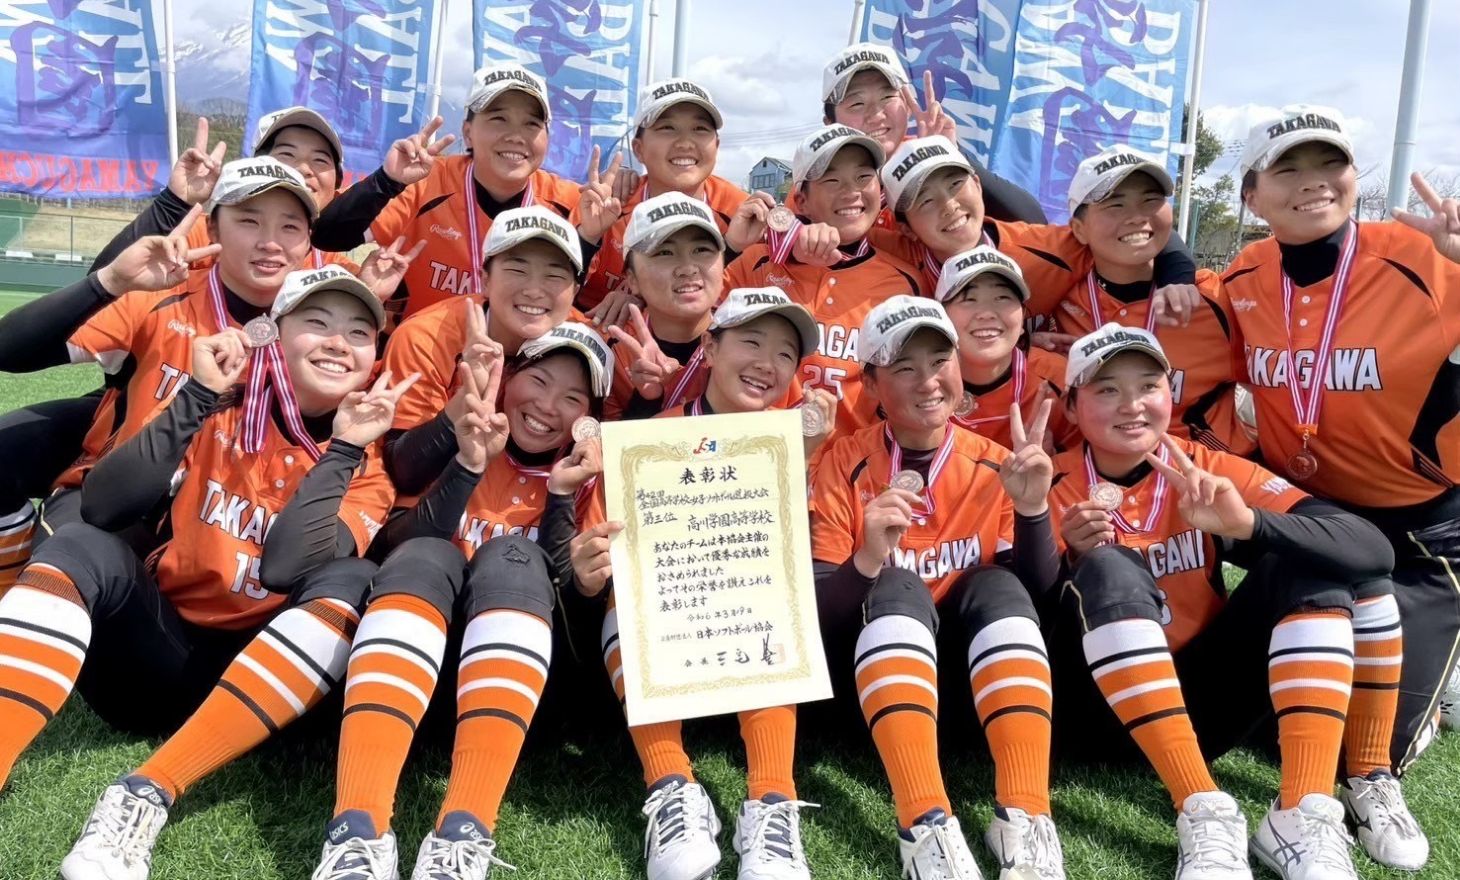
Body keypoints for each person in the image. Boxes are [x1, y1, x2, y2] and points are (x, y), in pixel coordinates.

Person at [0, 267, 406, 880]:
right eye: (316, 323)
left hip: (265, 693)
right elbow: (103, 506)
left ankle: (147, 793)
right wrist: (193, 398)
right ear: (274, 335)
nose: (337, 342)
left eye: (358, 333)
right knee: (81, 544)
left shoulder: (369, 463)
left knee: (351, 579)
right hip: (159, 661)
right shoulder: (218, 407)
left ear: (373, 357)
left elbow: (284, 566)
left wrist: (344, 448)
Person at [1048, 322, 1400, 880]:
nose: (1132, 405)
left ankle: (1304, 809)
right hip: (1096, 714)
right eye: (1107, 389)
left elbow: (1373, 549)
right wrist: (1062, 557)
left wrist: (1249, 525)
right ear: (1071, 405)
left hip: (1205, 707)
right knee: (1109, 566)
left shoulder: (1203, 465)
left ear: (1170, 394)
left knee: (1318, 559)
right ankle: (1201, 805)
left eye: (1148, 386)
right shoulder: (1046, 482)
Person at [1222, 104, 1448, 870]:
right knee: (1268, 714)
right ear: (1252, 195)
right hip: (1313, 515)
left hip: (1423, 533)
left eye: (1330, 164)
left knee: (1371, 748)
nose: (1313, 182)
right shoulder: (1242, 278)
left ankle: (1386, 760)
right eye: (1288, 168)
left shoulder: (1427, 257)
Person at [312, 321, 611, 880]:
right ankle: (356, 832)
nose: (548, 406)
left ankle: (463, 835)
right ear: (509, 377)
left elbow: (572, 624)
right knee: (429, 555)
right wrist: (468, 465)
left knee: (512, 559)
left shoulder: (594, 480)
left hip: (509, 699)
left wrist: (561, 497)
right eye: (538, 381)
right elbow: (395, 550)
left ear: (589, 418)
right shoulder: (466, 434)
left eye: (573, 398)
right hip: (403, 671)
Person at [571, 288, 835, 880]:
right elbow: (597, 562)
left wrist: (803, 461)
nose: (768, 363)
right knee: (626, 597)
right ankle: (670, 784)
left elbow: (813, 559)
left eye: (786, 353)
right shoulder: (647, 441)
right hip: (667, 642)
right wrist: (586, 574)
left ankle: (772, 797)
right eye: (751, 342)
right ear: (709, 349)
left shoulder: (804, 442)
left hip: (751, 642)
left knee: (774, 590)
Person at [810, 296, 1065, 880]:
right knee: (896, 583)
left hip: (983, 696)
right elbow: (822, 621)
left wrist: (1032, 511)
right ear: (871, 384)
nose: (928, 380)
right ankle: (923, 821)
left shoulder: (998, 464)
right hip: (878, 697)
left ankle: (1025, 812)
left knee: (997, 584)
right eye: (904, 367)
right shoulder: (842, 461)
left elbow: (1040, 602)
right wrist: (867, 559)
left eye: (940, 360)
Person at [310, 63, 612, 318]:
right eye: (499, 119)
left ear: (547, 137)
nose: (516, 136)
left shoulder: (572, 201)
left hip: (522, 360)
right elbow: (327, 236)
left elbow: (569, 292)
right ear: (468, 132)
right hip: (424, 354)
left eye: (531, 124)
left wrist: (588, 239)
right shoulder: (425, 182)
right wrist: (386, 181)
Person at [875, 135, 1204, 348]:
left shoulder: (1046, 248)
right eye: (925, 201)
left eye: (955, 184)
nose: (949, 205)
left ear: (977, 183)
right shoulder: (893, 257)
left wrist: (1177, 275)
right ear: (905, 228)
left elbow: (1136, 229)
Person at [376, 205, 586, 498]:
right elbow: (405, 473)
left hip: (529, 503)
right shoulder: (425, 338)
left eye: (554, 275)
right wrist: (467, 396)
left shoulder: (590, 344)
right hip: (440, 498)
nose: (534, 290)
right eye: (517, 270)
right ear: (485, 279)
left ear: (575, 290)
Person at [725, 124, 923, 435]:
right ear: (801, 200)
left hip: (853, 461)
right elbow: (697, 326)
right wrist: (731, 248)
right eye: (832, 180)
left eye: (863, 176)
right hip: (760, 453)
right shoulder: (759, 262)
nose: (851, 191)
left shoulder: (906, 283)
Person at [1061, 147, 1252, 454]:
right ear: (1079, 229)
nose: (1137, 217)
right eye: (1115, 205)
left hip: (1204, 474)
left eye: (1151, 200)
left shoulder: (1216, 299)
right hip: (1094, 475)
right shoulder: (1060, 299)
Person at [603, 192, 800, 420]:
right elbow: (609, 441)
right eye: (665, 252)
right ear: (632, 279)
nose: (688, 268)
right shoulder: (611, 351)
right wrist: (647, 399)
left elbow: (783, 431)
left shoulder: (763, 347)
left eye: (702, 250)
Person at [575, 77, 749, 322]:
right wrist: (588, 238)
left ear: (717, 145)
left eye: (700, 129)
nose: (685, 143)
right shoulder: (607, 203)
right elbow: (552, 288)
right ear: (638, 149)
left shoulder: (742, 215)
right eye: (667, 128)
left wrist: (649, 302)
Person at [818, 43, 1047, 225]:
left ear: (908, 107)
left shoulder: (937, 157)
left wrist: (951, 154)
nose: (876, 115)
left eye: (887, 97)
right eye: (857, 104)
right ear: (830, 123)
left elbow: (1032, 221)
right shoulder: (814, 181)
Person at [933, 245, 1078, 450]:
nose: (986, 313)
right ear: (942, 316)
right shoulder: (922, 382)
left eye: (1002, 298)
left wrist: (1052, 463)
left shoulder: (1059, 378)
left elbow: (1090, 460)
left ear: (1023, 315)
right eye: (969, 299)